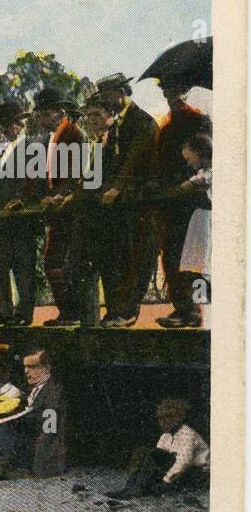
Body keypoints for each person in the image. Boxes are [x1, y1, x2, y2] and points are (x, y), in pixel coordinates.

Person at [86, 74, 159, 327]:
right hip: (118, 203)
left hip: (136, 199)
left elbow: (134, 161)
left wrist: (117, 187)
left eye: (107, 95)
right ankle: (116, 310)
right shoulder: (117, 123)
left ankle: (129, 311)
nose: (105, 100)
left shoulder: (142, 121)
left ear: (120, 92)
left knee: (136, 257)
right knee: (116, 256)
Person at [153, 85, 212, 328]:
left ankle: (198, 311)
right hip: (171, 200)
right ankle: (182, 309)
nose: (171, 97)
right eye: (166, 92)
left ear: (185, 92)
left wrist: (193, 181)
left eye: (175, 92)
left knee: (196, 259)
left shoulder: (200, 120)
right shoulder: (164, 126)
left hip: (195, 200)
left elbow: (210, 156)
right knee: (172, 255)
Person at [35, 87, 90, 327]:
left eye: (43, 113)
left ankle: (72, 313)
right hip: (58, 210)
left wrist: (59, 195)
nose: (40, 118)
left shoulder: (75, 134)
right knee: (52, 261)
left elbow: (76, 173)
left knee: (62, 262)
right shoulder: (54, 136)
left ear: (58, 112)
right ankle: (67, 312)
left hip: (71, 208)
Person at [0, 348, 66, 481]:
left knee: (5, 424)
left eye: (32, 367)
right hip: (22, 432)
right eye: (25, 367)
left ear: (46, 368)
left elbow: (50, 429)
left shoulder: (53, 391)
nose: (26, 371)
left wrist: (43, 462)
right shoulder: (31, 386)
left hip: (35, 440)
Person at [0, 101, 40, 325]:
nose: (6, 129)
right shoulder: (3, 151)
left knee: (23, 269)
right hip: (1, 221)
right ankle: (5, 311)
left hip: (21, 219)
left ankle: (24, 315)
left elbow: (33, 179)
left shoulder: (32, 146)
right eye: (3, 125)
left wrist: (20, 199)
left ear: (21, 124)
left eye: (11, 124)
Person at [111, 398, 209, 497]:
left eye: (169, 417)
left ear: (180, 417)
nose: (164, 422)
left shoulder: (187, 434)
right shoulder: (165, 436)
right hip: (178, 472)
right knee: (144, 453)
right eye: (160, 418)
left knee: (153, 455)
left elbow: (182, 465)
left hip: (197, 473)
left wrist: (164, 482)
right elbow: (153, 460)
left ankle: (137, 490)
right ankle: (128, 488)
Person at [177, 133, 212, 296]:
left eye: (190, 159)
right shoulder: (202, 171)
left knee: (207, 261)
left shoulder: (210, 172)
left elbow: (203, 179)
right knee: (200, 264)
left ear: (199, 153)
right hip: (202, 219)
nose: (189, 163)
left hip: (210, 221)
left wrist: (190, 184)